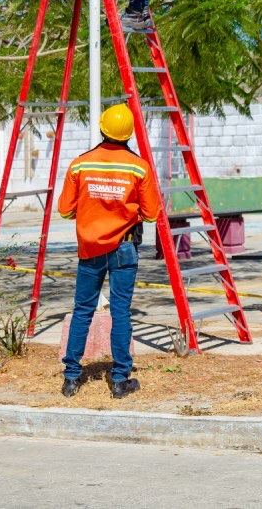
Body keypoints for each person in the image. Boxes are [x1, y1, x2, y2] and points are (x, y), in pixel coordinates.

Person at [58, 104, 162, 399]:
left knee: (83, 310)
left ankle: (71, 378)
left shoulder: (80, 164)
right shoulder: (139, 167)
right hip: (124, 248)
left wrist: (92, 205)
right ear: (128, 133)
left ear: (103, 128)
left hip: (90, 247)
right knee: (120, 311)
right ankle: (119, 380)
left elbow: (65, 211)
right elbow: (152, 214)